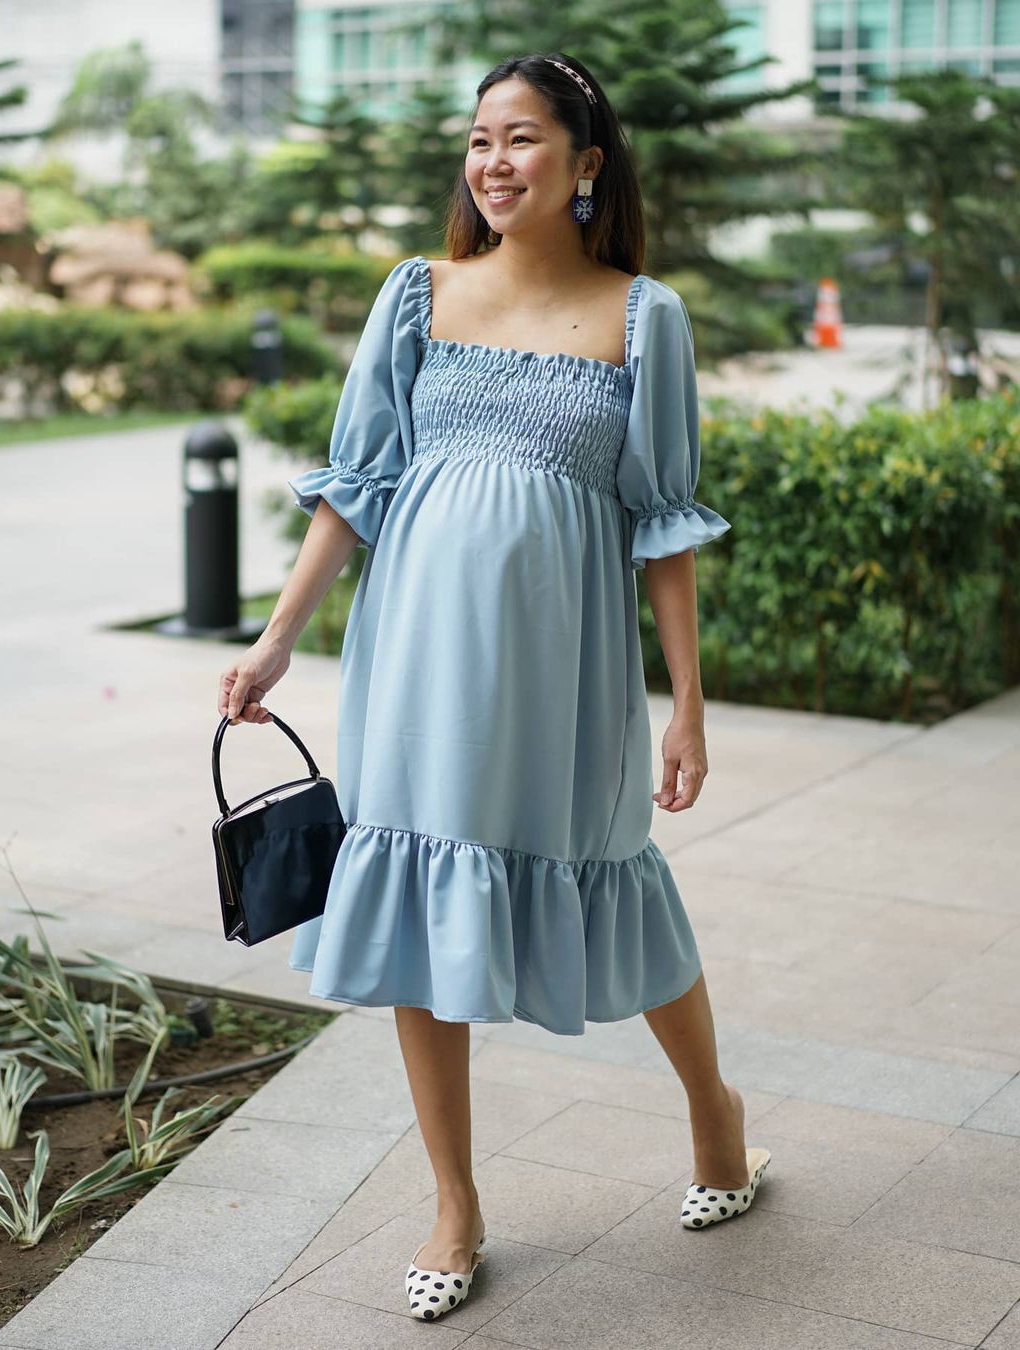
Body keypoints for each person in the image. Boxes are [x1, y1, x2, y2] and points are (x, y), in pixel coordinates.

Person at [218, 51, 771, 1323]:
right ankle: (456, 1202)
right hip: (416, 655)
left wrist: (686, 704)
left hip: (564, 668)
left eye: (522, 139)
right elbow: (354, 488)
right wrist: (278, 638)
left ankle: (714, 1111)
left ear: (587, 165)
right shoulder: (417, 298)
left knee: (612, 873)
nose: (494, 162)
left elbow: (666, 526)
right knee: (416, 891)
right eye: (479, 141)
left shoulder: (647, 316)